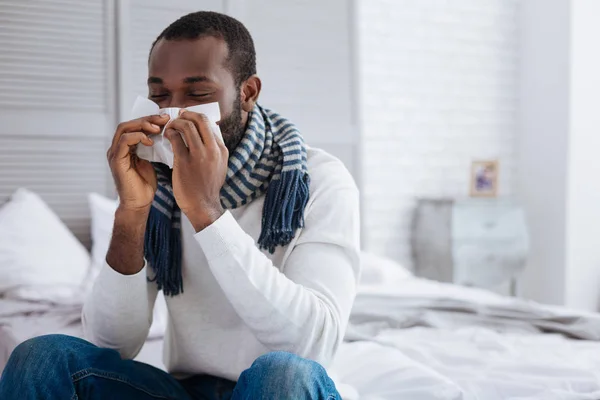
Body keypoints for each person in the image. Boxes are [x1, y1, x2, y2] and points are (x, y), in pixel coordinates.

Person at [0, 10, 359, 400]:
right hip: (185, 390)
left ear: (248, 93)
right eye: (159, 96)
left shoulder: (316, 178)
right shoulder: (160, 186)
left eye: (199, 95)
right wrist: (132, 212)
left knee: (283, 375)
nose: (173, 114)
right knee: (40, 356)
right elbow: (113, 344)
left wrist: (206, 211)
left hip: (278, 388)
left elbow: (311, 346)